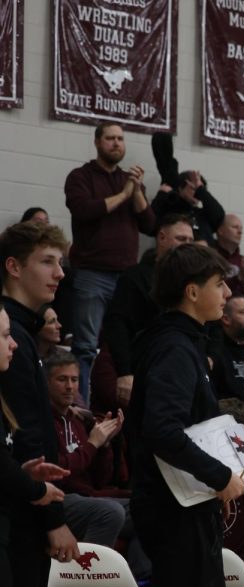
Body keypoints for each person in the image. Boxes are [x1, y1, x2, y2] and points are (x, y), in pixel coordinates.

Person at [127, 244, 241, 587]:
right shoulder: (173, 346)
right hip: (173, 509)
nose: (227, 293)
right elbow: (161, 430)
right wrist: (221, 476)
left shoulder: (188, 345)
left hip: (190, 505)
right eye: (219, 284)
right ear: (192, 290)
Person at [0, 223, 77, 587]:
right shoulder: (12, 335)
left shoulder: (26, 336)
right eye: (48, 262)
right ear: (13, 266)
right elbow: (19, 434)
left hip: (27, 500)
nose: (58, 274)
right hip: (18, 508)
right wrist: (50, 514)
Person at [64, 123, 155, 399]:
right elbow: (84, 210)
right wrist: (124, 195)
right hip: (93, 273)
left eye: (120, 139)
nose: (116, 143)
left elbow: (150, 224)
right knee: (86, 346)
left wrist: (137, 190)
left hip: (127, 275)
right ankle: (80, 408)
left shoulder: (128, 181)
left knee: (127, 344)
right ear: (97, 142)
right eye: (110, 138)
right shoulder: (81, 176)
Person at [101, 214, 195, 409]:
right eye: (181, 239)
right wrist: (125, 373)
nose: (187, 245)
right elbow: (118, 324)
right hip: (144, 367)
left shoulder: (192, 283)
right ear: (162, 237)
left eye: (190, 240)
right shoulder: (135, 277)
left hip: (177, 368)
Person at [45, 351, 129, 544]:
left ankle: (139, 574)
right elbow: (58, 470)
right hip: (61, 499)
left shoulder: (79, 421)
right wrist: (92, 444)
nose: (69, 387)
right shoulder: (44, 422)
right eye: (62, 379)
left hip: (91, 496)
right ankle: (87, 573)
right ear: (47, 383)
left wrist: (105, 444)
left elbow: (100, 479)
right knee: (111, 512)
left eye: (74, 380)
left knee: (152, 510)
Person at [149, 133, 225, 246]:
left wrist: (201, 190)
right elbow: (150, 224)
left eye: (198, 189)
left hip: (205, 261)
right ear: (181, 188)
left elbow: (219, 216)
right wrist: (161, 196)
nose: (197, 193)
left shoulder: (201, 214)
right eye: (192, 188)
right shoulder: (170, 208)